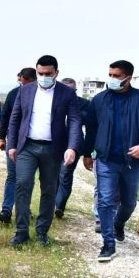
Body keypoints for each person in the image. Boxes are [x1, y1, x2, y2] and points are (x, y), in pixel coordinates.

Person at [83, 60, 139, 262]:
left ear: (127, 77)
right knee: (105, 201)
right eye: (110, 75)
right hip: (106, 159)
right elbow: (91, 128)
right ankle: (108, 243)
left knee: (128, 203)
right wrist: (86, 153)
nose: (112, 79)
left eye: (116, 76)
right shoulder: (99, 100)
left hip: (131, 162)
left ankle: (119, 224)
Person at [6, 55, 82, 247]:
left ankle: (42, 232)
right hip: (27, 147)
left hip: (53, 148)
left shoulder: (67, 94)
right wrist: (11, 145)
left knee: (49, 190)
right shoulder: (25, 91)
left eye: (48, 73)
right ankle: (21, 231)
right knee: (22, 184)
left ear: (56, 72)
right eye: (40, 73)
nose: (44, 76)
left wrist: (72, 147)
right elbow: (15, 118)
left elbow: (74, 121)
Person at [0, 67, 37, 223]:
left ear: (34, 80)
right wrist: (1, 137)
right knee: (12, 176)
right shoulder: (13, 94)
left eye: (27, 83)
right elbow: (5, 117)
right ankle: (6, 210)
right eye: (22, 82)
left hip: (31, 143)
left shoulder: (39, 94)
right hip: (14, 142)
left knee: (27, 179)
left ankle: (25, 209)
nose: (23, 85)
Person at [54, 78, 91, 219]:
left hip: (73, 146)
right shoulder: (53, 101)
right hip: (54, 145)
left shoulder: (84, 104)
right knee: (52, 176)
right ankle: (52, 202)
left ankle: (59, 206)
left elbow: (90, 127)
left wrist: (87, 151)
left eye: (72, 90)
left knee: (65, 175)